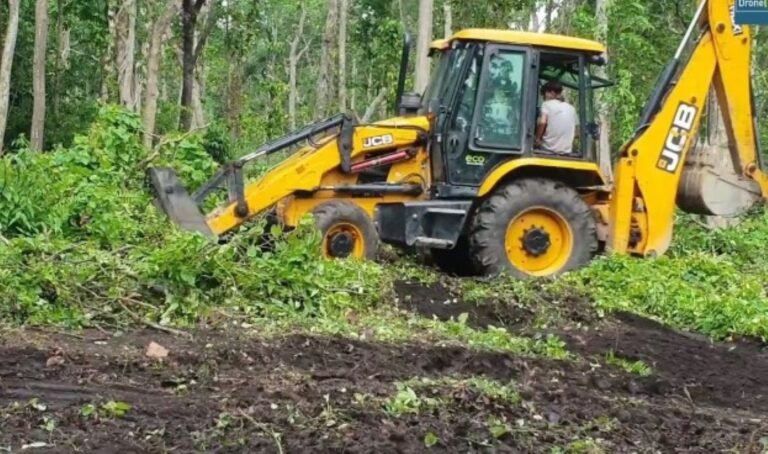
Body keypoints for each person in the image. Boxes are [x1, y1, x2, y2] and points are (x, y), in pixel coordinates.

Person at [535, 81, 579, 155]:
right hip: (567, 151)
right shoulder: (572, 108)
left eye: (544, 95)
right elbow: (577, 132)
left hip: (548, 149)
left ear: (552, 93)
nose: (544, 98)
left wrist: (537, 139)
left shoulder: (546, 104)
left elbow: (542, 123)